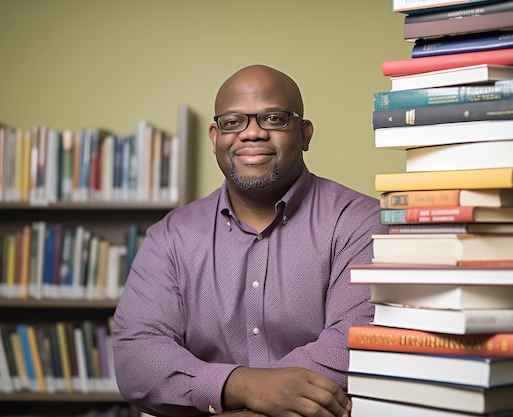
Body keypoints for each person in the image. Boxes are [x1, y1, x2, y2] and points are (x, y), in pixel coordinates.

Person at [112, 64, 388, 417]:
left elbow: (358, 340)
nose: (252, 133)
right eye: (233, 122)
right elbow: (137, 357)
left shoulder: (360, 222)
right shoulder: (170, 236)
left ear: (304, 133)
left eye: (273, 118)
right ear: (215, 137)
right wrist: (244, 387)